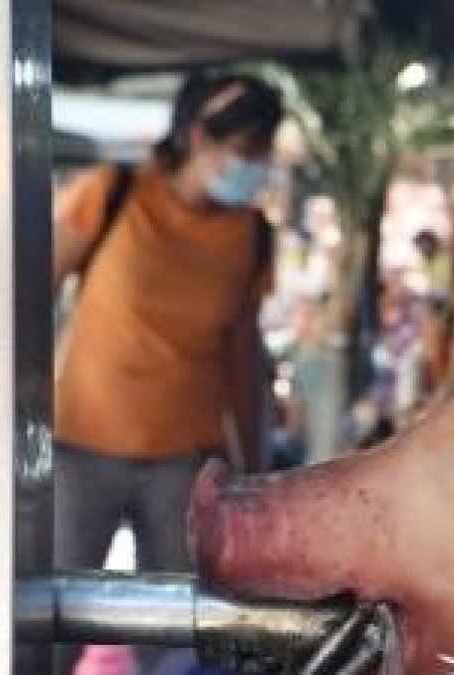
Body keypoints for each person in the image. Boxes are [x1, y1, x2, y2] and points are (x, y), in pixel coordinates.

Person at [51, 73, 284, 674]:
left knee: (178, 637)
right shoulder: (114, 193)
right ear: (196, 136)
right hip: (80, 450)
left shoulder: (251, 236)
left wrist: (253, 477)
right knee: (45, 626)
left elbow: (242, 362)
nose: (255, 165)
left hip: (184, 466)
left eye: (263, 151)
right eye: (246, 148)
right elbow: (29, 293)